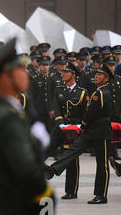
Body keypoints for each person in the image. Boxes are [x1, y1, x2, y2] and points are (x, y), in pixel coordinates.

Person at [0, 38, 55, 215]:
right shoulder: (9, 119)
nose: (26, 73)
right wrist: (49, 202)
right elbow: (27, 173)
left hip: (1, 212)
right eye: (20, 69)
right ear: (6, 77)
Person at [44, 64, 113, 204]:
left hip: (100, 132)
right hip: (89, 130)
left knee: (102, 165)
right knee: (73, 151)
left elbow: (90, 113)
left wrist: (82, 125)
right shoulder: (96, 91)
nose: (96, 76)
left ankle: (101, 195)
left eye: (100, 75)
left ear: (106, 79)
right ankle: (53, 170)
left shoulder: (102, 93)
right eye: (96, 74)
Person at [46, 62, 88, 199]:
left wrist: (80, 126)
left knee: (71, 159)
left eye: (66, 72)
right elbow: (57, 108)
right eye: (62, 72)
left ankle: (71, 191)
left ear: (73, 74)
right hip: (61, 127)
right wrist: (60, 123)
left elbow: (84, 113)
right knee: (45, 149)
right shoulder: (59, 89)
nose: (62, 74)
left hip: (74, 129)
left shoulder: (82, 92)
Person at [30, 56, 55, 131]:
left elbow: (55, 95)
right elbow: (33, 95)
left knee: (51, 130)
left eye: (47, 65)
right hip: (39, 110)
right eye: (43, 65)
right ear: (40, 66)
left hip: (51, 110)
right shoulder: (35, 80)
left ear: (49, 66)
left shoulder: (52, 79)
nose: (45, 67)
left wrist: (53, 108)